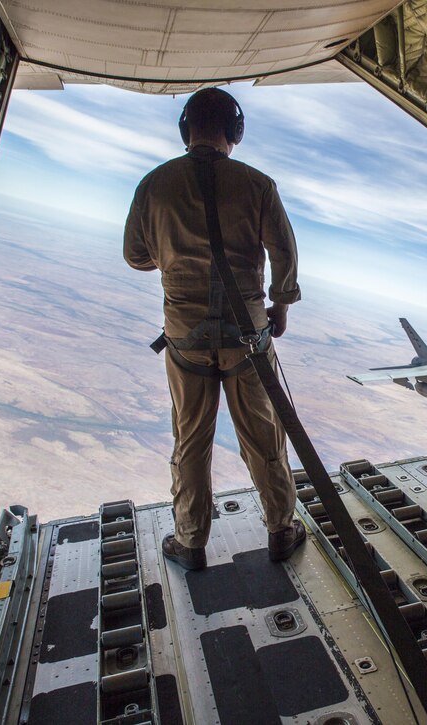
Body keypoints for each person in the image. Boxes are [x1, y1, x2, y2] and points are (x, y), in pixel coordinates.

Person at [124, 87, 305, 569]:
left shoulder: (153, 184)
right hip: (248, 335)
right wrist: (280, 306)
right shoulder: (258, 184)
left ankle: (190, 541)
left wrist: (174, 260)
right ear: (235, 130)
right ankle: (281, 531)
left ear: (186, 128)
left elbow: (134, 255)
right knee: (263, 438)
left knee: (190, 439)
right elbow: (284, 253)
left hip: (185, 338)